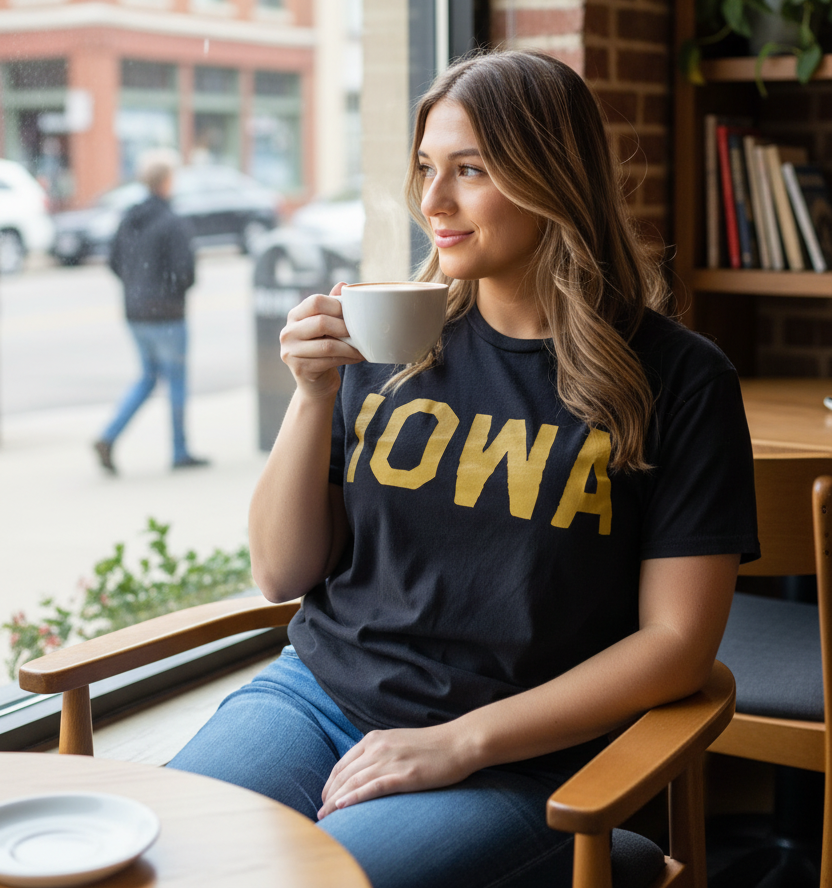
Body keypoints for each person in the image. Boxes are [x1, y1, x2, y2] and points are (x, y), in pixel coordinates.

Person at [168, 51, 758, 888]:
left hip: (517, 752)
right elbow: (280, 572)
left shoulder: (679, 378)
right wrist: (311, 396)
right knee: (168, 854)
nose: (433, 202)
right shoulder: (390, 340)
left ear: (553, 179)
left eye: (469, 170)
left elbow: (676, 646)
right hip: (316, 697)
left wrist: (458, 742)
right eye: (425, 169)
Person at [93, 149, 209, 474]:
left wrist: (137, 288)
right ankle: (179, 450)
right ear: (167, 180)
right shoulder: (172, 221)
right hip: (167, 314)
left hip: (135, 313)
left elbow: (114, 261)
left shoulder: (129, 218)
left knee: (147, 377)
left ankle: (109, 435)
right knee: (175, 381)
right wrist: (168, 292)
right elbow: (186, 272)